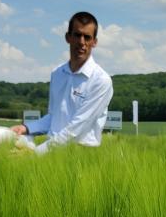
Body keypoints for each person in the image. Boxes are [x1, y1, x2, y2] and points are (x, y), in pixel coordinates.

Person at [11, 12, 114, 154]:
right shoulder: (57, 74)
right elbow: (54, 116)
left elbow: (77, 128)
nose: (82, 42)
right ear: (68, 37)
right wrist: (27, 128)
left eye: (87, 37)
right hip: (51, 154)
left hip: (82, 155)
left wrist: (37, 153)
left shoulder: (101, 81)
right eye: (77, 35)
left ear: (94, 42)